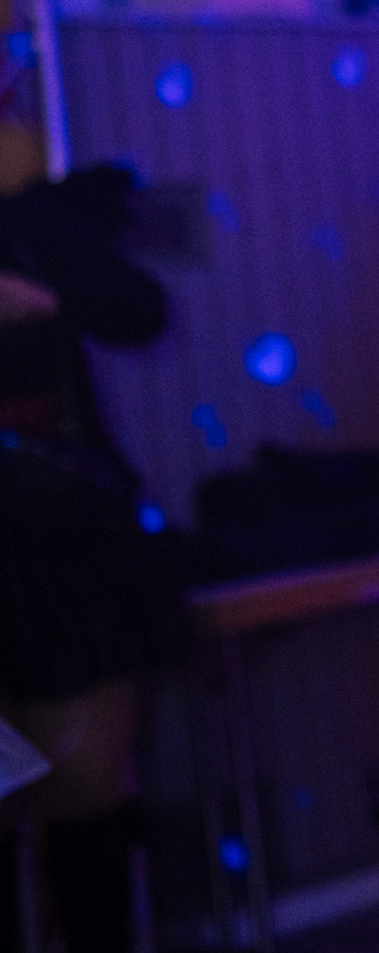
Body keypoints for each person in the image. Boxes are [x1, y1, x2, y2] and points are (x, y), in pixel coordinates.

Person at [0, 163, 187, 953]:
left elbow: (138, 309)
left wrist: (43, 300)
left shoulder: (26, 222)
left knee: (82, 793)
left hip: (51, 550)